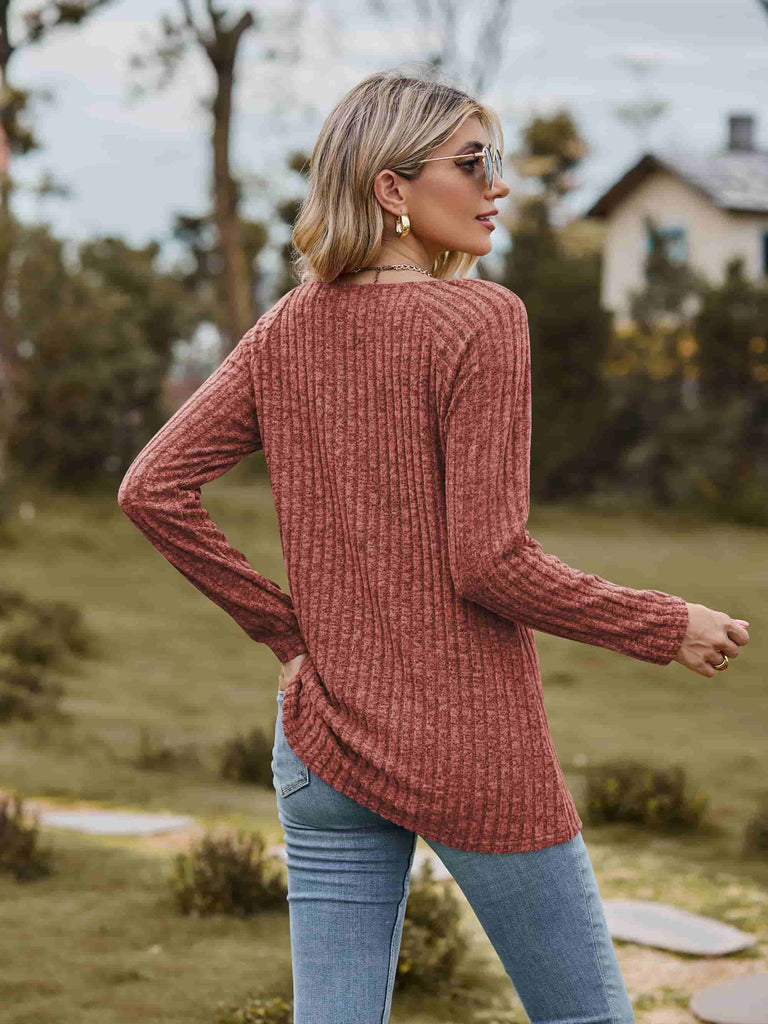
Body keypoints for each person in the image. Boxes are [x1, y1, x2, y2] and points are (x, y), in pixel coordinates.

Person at [117, 65, 750, 1024]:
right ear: (392, 188)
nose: (499, 185)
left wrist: (289, 637)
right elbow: (490, 561)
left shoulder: (284, 328)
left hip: (323, 739)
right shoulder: (481, 318)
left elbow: (150, 488)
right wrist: (665, 624)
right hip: (471, 750)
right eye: (473, 163)